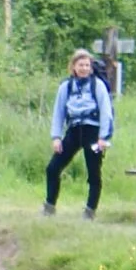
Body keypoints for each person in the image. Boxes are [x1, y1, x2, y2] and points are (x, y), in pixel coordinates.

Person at [44, 48, 115, 216]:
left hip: (94, 134)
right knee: (53, 168)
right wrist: (56, 137)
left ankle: (90, 210)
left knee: (93, 170)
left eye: (87, 65)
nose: (84, 68)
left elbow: (106, 112)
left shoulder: (97, 85)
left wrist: (104, 138)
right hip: (74, 132)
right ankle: (49, 205)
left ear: (91, 67)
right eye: (80, 65)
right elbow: (58, 113)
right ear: (73, 66)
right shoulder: (65, 87)